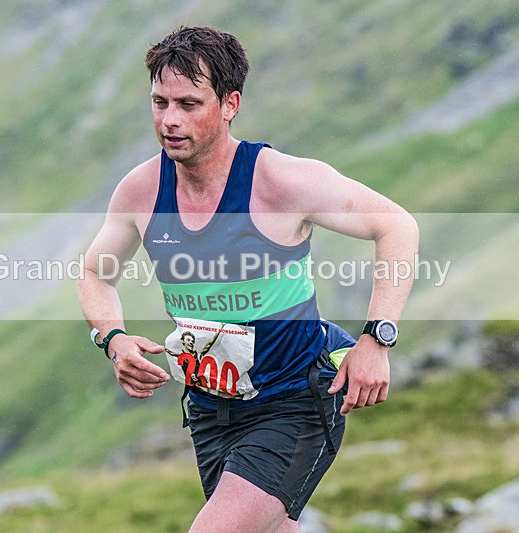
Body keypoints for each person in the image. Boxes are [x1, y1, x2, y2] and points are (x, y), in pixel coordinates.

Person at [78, 26, 419, 532]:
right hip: (211, 412)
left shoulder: (281, 181)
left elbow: (396, 226)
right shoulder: (141, 191)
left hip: (296, 401)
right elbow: (94, 273)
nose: (170, 120)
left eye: (190, 104)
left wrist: (378, 338)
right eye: (160, 102)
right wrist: (113, 339)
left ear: (229, 103)